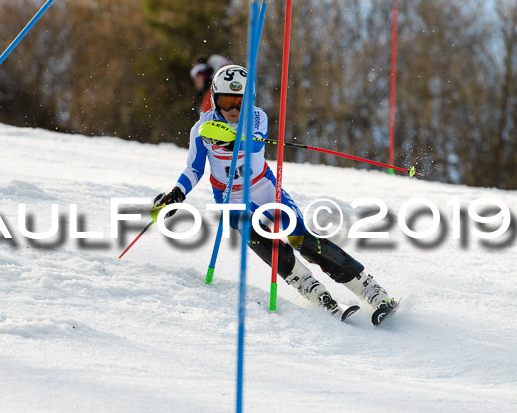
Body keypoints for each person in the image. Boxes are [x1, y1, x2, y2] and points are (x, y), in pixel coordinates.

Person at [154, 64, 397, 324]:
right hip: (230, 196)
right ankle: (311, 289)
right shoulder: (201, 129)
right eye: (227, 102)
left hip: (263, 187)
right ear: (214, 100)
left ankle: (371, 290)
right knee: (253, 231)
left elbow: (254, 140)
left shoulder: (257, 117)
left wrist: (235, 141)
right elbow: (194, 169)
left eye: (240, 103)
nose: (234, 110)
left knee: (300, 237)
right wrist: (177, 193)